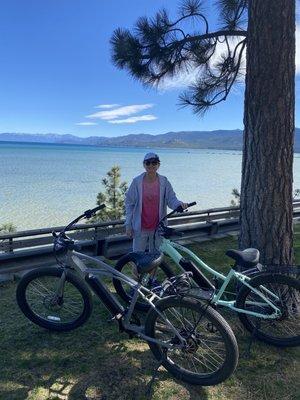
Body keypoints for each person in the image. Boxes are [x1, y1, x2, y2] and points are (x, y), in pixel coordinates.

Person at [125, 152, 188, 253]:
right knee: (136, 257)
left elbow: (171, 199)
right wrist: (128, 225)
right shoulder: (136, 182)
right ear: (144, 165)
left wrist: (179, 204)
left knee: (156, 257)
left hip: (158, 227)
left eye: (154, 163)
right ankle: (136, 270)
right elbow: (129, 204)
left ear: (158, 165)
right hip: (140, 227)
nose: (151, 165)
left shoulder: (164, 181)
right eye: (148, 163)